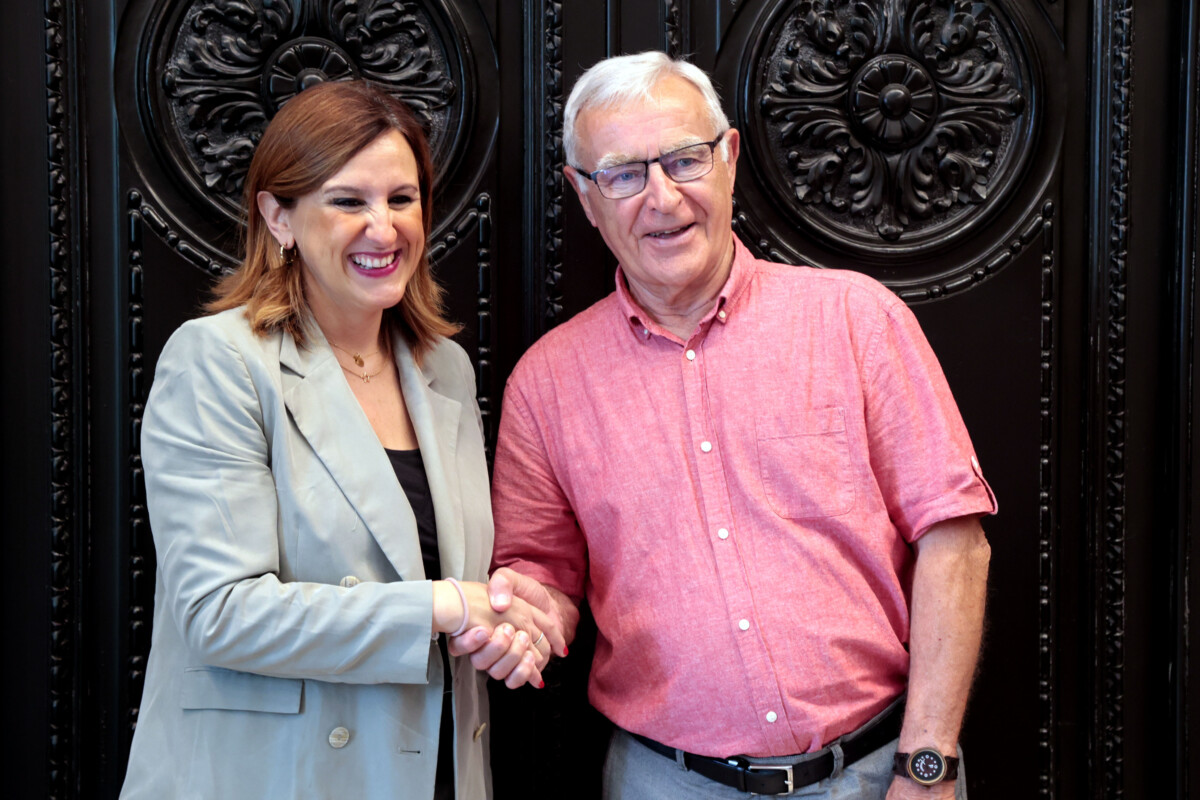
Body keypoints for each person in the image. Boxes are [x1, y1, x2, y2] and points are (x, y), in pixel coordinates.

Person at [466, 52, 996, 799]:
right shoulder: (546, 383)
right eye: (622, 174)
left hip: (880, 775)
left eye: (684, 159)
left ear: (730, 158)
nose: (662, 198)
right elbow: (542, 578)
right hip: (665, 784)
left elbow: (956, 544)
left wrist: (928, 764)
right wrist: (517, 617)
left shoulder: (856, 320)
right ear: (585, 197)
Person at [119, 80, 564, 800]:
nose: (384, 229)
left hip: (429, 774)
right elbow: (219, 615)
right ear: (279, 216)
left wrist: (505, 622)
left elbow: (456, 580)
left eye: (401, 198)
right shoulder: (218, 360)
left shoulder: (442, 368)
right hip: (272, 778)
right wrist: (447, 606)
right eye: (348, 201)